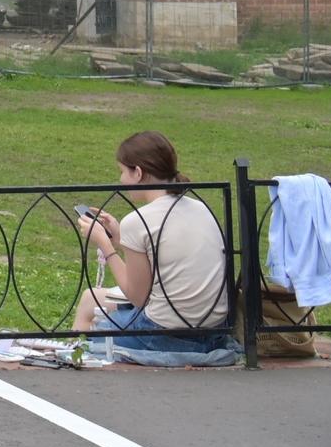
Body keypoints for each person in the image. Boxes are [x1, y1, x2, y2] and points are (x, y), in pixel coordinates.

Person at [72, 130, 240, 366]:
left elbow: (138, 296)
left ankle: (80, 366)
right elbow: (163, 260)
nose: (120, 180)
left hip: (167, 335)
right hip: (214, 332)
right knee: (91, 298)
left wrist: (105, 244)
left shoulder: (139, 219)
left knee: (87, 336)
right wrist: (120, 237)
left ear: (138, 173)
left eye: (123, 172)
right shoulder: (201, 208)